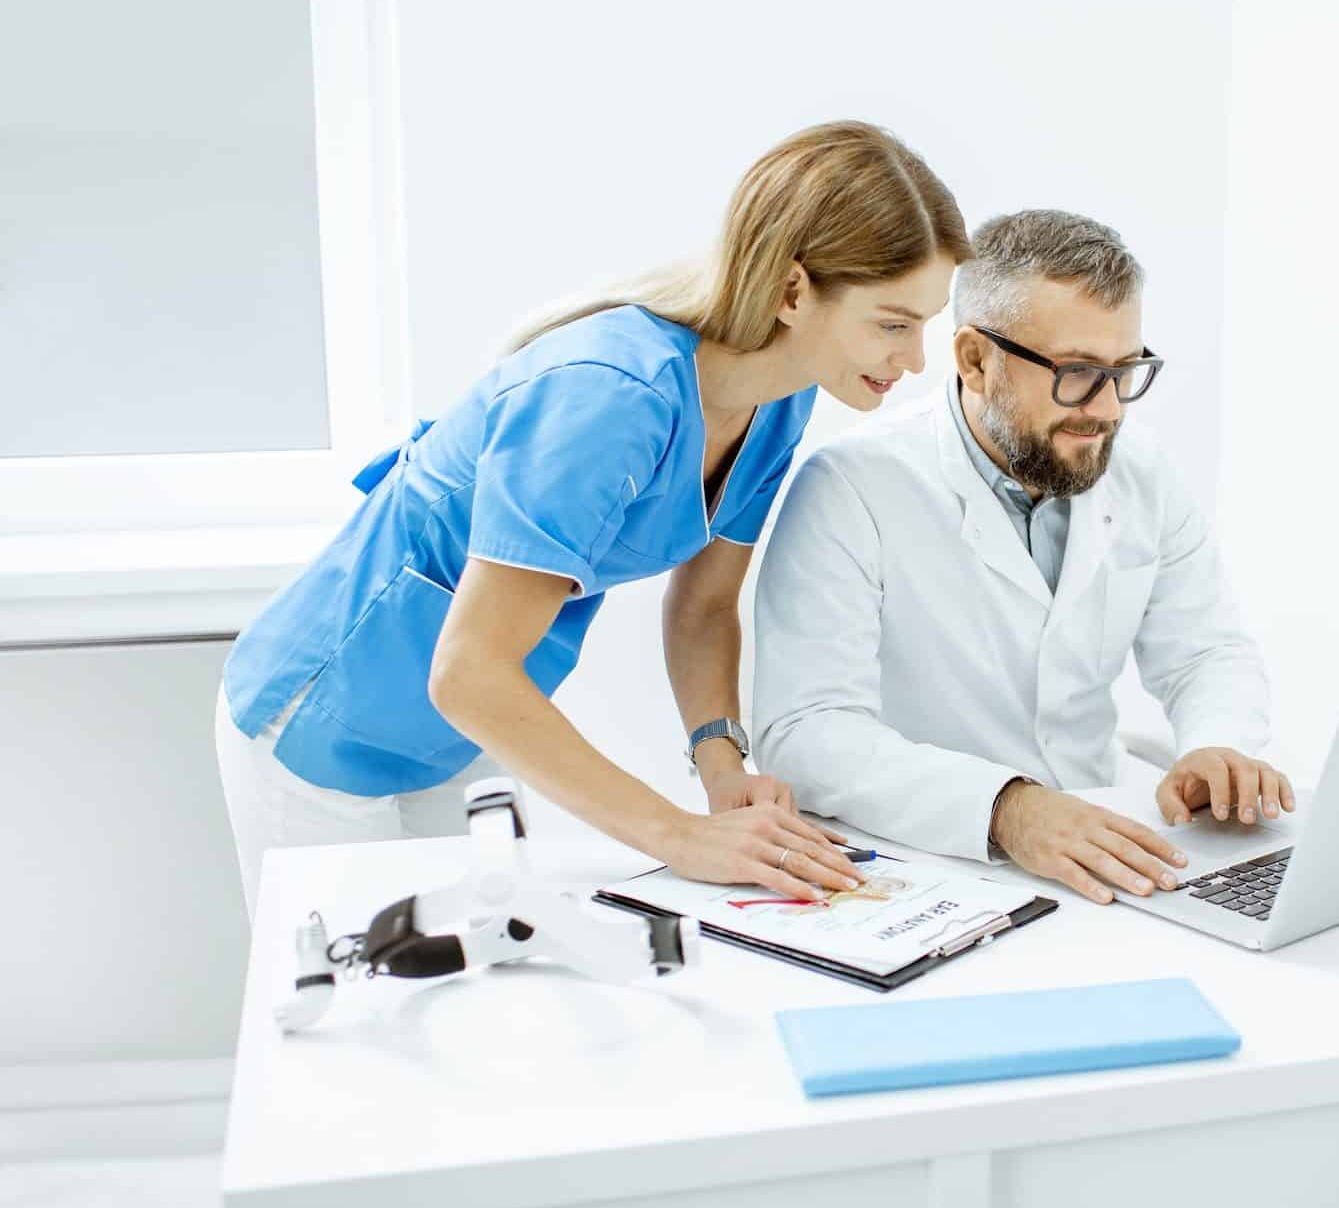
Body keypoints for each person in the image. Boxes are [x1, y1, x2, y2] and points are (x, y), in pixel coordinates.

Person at [215, 121, 967, 912]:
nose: (917, 360)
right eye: (894, 323)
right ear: (791, 291)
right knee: (360, 1013)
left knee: (484, 985)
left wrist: (722, 764)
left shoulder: (780, 401)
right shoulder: (611, 396)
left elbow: (706, 605)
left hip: (462, 729)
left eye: (925, 324)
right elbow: (468, 670)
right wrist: (678, 835)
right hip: (321, 724)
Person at [753, 209, 1291, 904]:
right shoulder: (851, 488)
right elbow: (806, 731)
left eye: (1125, 371)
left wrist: (1216, 747)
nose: (1106, 409)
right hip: (938, 868)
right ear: (975, 359)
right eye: (1077, 373)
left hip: (1111, 843)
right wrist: (1006, 807)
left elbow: (1206, 653)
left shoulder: (1139, 470)